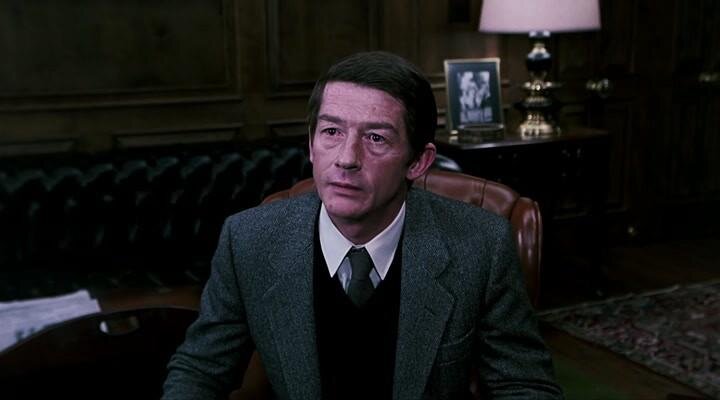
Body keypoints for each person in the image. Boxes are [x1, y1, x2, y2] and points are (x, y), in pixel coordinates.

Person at [163, 51, 562, 399]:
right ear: (311, 144)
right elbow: (200, 370)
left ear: (418, 162)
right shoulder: (249, 240)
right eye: (331, 132)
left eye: (375, 138)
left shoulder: (481, 246)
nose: (346, 158)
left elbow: (524, 384)